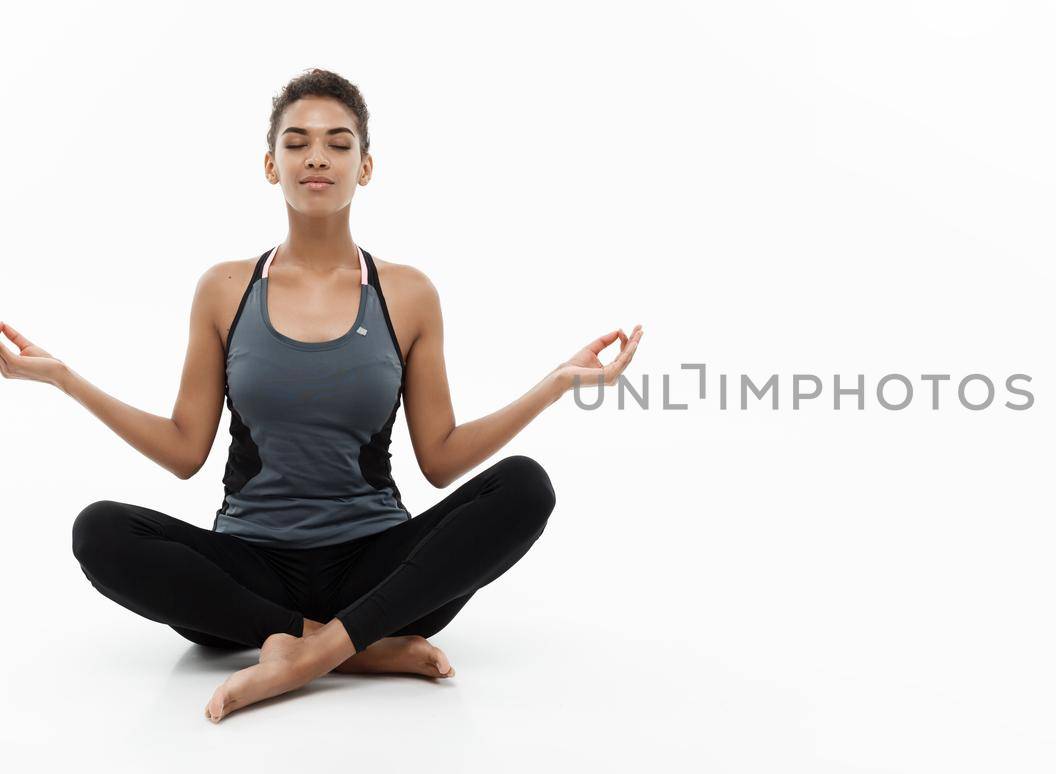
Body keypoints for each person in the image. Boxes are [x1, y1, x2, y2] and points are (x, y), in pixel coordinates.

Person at [0, 68, 643, 723]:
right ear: (270, 164)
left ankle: (305, 654)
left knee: (526, 487)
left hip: (379, 571)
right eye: (297, 141)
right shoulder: (225, 289)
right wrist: (64, 378)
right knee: (100, 532)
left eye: (339, 143)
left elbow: (442, 458)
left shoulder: (407, 293)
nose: (317, 156)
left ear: (365, 167)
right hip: (248, 576)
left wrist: (557, 383)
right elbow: (184, 449)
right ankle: (355, 650)